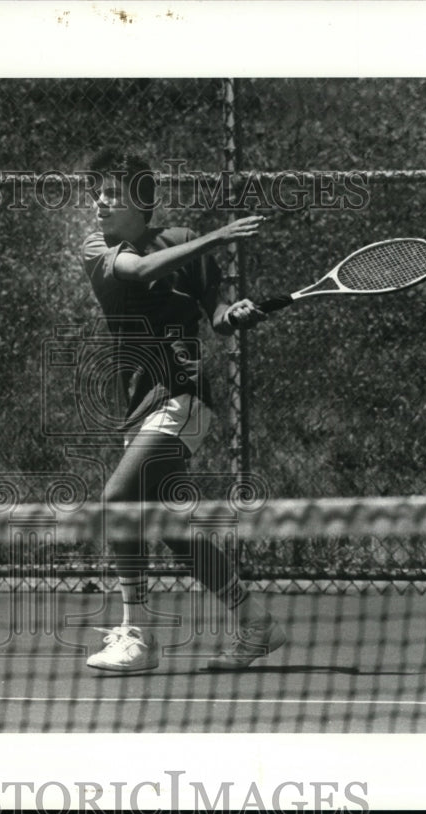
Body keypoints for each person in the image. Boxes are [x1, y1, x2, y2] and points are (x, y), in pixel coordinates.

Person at [79, 149, 286, 672]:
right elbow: (142, 268)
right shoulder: (96, 247)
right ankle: (255, 623)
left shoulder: (185, 245)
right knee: (172, 530)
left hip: (184, 397)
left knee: (118, 497)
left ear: (142, 200)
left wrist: (233, 313)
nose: (100, 202)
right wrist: (216, 236)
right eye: (96, 192)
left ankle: (136, 635)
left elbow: (213, 318)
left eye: (112, 192)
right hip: (140, 403)